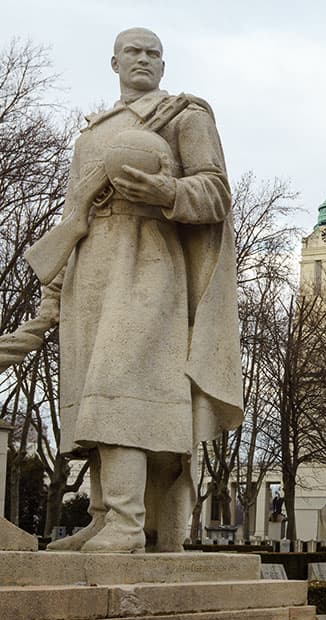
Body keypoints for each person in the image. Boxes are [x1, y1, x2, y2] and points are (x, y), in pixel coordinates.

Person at [38, 28, 242, 553]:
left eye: (154, 53)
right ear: (115, 62)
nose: (145, 60)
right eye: (135, 51)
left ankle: (130, 523)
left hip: (149, 258)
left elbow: (216, 190)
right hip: (92, 268)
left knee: (121, 378)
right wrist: (55, 291)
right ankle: (105, 516)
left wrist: (168, 190)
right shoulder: (92, 134)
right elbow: (72, 215)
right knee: (92, 393)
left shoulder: (183, 115)